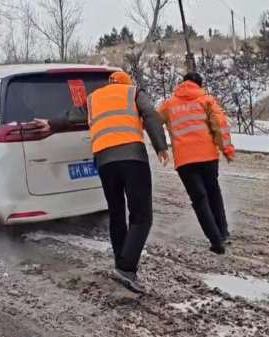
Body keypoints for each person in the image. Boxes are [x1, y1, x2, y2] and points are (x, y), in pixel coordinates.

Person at [35, 71, 170, 293]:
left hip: (105, 161)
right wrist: (160, 146)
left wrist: (51, 124)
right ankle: (126, 268)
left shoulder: (94, 98)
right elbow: (151, 116)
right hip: (133, 158)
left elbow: (71, 116)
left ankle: (121, 264)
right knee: (141, 216)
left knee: (117, 213)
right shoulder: (133, 92)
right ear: (127, 83)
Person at [157, 72, 235, 254]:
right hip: (208, 157)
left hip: (185, 162)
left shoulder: (169, 105)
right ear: (199, 85)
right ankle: (223, 232)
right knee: (214, 193)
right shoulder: (206, 100)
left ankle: (216, 242)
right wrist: (227, 150)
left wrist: (160, 146)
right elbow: (219, 125)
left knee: (199, 199)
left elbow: (151, 121)